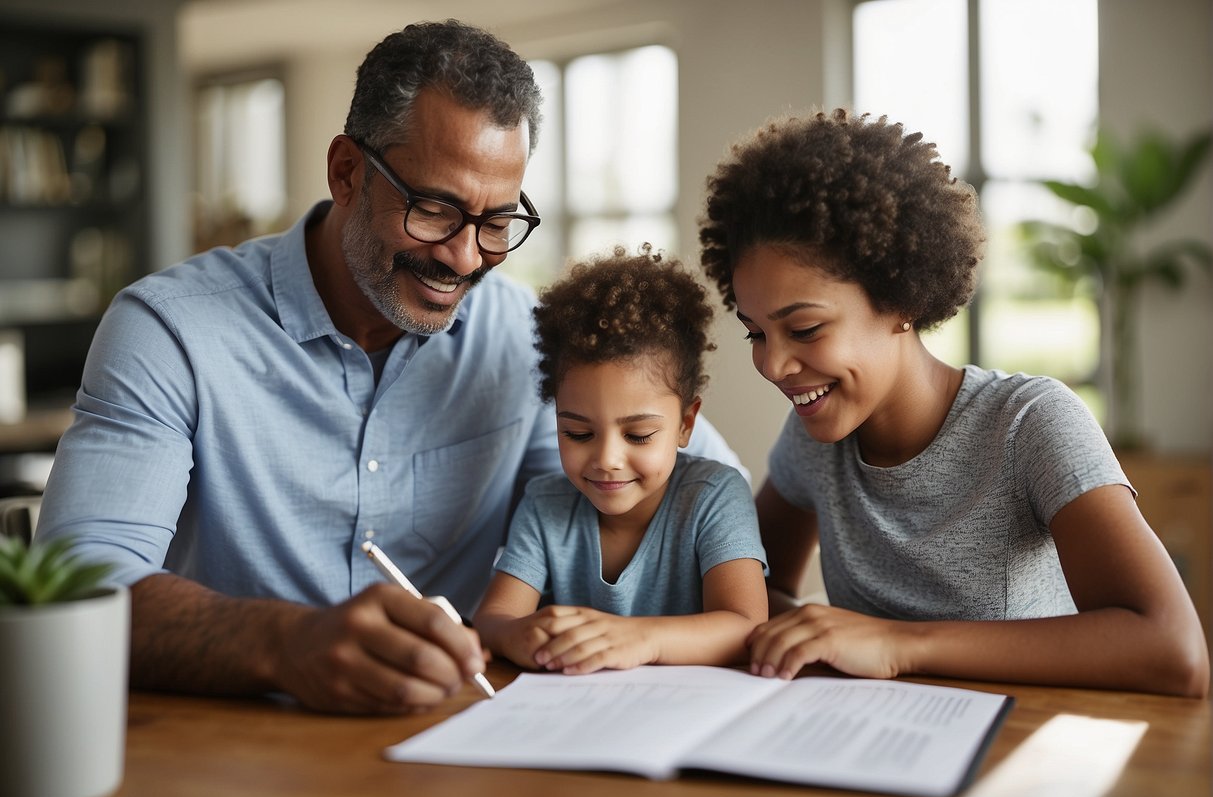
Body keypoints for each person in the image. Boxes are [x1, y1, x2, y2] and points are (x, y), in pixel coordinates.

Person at [32, 20, 745, 715]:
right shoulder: (170, 330)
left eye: (497, 222)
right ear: (347, 172)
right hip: (231, 747)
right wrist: (285, 643)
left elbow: (697, 494)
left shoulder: (525, 339)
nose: (466, 258)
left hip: (463, 732)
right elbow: (77, 586)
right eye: (435, 209)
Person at [697, 108, 1209, 697]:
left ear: (899, 298)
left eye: (806, 329)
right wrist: (813, 630)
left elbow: (1175, 651)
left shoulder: (1029, 423)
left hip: (1023, 754)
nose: (773, 364)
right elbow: (749, 595)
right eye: (756, 333)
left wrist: (898, 644)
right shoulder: (816, 439)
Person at [474, 247, 768, 673]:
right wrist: (514, 634)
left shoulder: (714, 496)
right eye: (577, 433)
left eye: (638, 435)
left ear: (686, 424)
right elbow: (493, 620)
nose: (607, 459)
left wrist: (641, 639)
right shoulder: (545, 505)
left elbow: (746, 627)